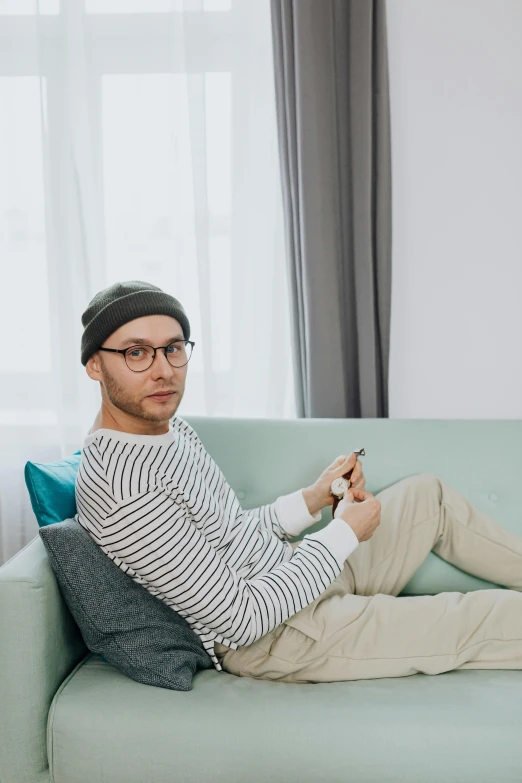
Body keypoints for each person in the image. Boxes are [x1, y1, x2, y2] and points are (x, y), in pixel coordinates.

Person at [76, 279, 522, 684]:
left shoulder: (171, 430)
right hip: (275, 638)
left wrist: (313, 499)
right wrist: (344, 532)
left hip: (290, 574)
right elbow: (240, 619)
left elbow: (229, 536)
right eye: (136, 353)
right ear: (96, 365)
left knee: (429, 496)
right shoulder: (125, 491)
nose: (163, 370)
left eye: (173, 348)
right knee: (491, 617)